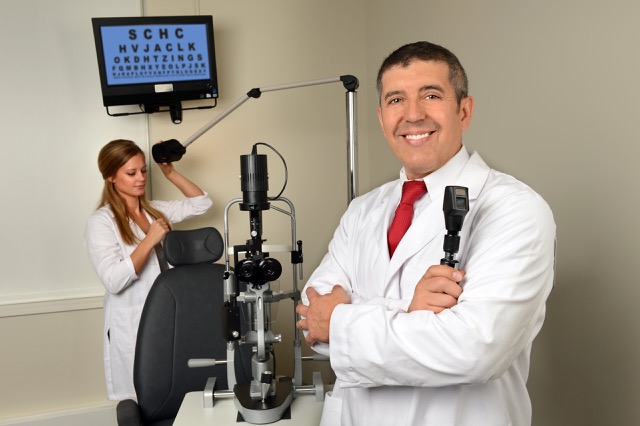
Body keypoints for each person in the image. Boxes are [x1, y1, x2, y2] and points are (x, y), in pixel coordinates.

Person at [296, 41, 556, 425]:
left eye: (430, 95)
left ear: (463, 111)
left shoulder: (515, 209)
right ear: (382, 116)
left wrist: (343, 320)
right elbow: (313, 316)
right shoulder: (362, 211)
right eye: (397, 100)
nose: (413, 115)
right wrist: (411, 309)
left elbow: (473, 350)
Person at [85, 139, 213, 401]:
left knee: (175, 390)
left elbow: (202, 203)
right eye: (131, 173)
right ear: (111, 177)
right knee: (144, 397)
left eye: (143, 170)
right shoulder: (101, 222)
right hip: (134, 321)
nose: (141, 178)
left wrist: (170, 172)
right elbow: (113, 280)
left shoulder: (154, 211)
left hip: (168, 313)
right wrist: (149, 240)